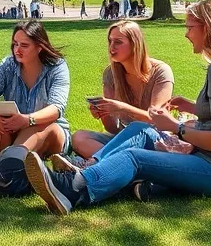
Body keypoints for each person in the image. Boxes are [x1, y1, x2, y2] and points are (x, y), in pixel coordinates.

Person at [24, 0, 211, 214]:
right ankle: (89, 172)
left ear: (208, 29)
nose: (186, 34)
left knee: (134, 157)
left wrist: (176, 127)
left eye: (190, 27)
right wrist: (193, 108)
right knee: (138, 130)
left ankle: (72, 190)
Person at [0, 21, 71, 199]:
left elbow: (57, 108)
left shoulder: (57, 67)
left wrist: (27, 119)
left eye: (24, 45)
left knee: (39, 127)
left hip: (49, 131)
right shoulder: (8, 65)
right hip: (14, 128)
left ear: (39, 47)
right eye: (15, 44)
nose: (18, 49)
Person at [66, 21, 174, 162]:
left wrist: (122, 107)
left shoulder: (161, 71)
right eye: (110, 41)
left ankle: (93, 165)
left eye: (118, 42)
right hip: (124, 140)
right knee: (79, 137)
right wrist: (103, 113)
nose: (111, 47)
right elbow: (113, 129)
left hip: (154, 139)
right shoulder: (110, 74)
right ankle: (121, 165)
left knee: (136, 127)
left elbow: (158, 120)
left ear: (135, 44)